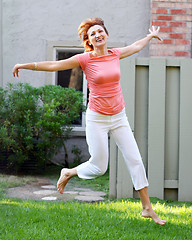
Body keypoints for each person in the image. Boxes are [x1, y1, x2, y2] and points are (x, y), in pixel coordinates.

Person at [12, 17, 166, 225]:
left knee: (135, 160)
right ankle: (69, 172)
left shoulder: (115, 54)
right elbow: (54, 65)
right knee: (99, 167)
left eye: (100, 31)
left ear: (106, 35)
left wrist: (150, 36)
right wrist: (25, 65)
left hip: (119, 117)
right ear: (89, 41)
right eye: (92, 34)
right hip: (97, 118)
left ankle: (147, 208)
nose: (97, 35)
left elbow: (136, 46)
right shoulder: (85, 59)